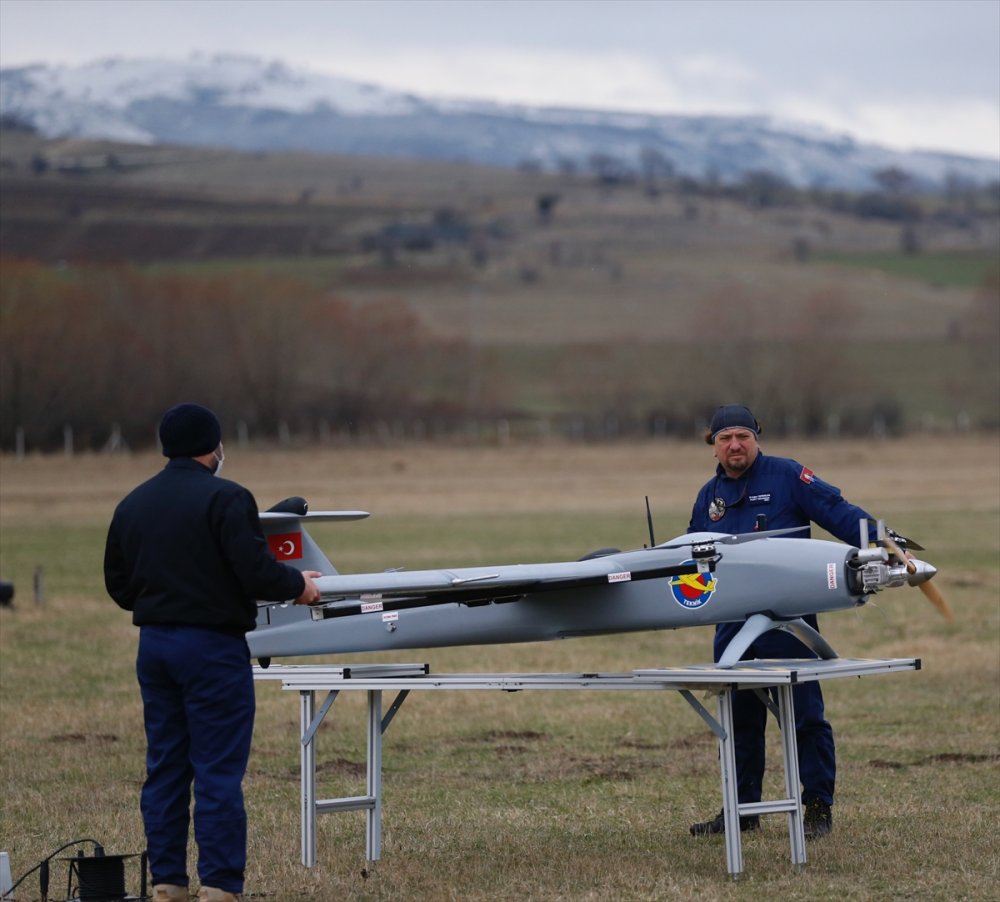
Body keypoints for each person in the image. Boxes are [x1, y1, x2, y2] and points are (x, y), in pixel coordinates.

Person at [104, 403, 322, 902]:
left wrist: (164, 600)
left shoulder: (133, 504)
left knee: (166, 768)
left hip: (155, 646)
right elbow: (254, 571)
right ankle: (220, 887)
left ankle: (167, 884)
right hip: (212, 649)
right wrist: (299, 585)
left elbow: (118, 586)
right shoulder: (228, 498)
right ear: (214, 446)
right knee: (217, 770)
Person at [686, 404, 878, 841]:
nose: (735, 445)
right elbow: (693, 562)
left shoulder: (788, 477)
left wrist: (884, 542)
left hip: (787, 625)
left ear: (757, 437)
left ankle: (816, 808)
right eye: (725, 438)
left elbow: (840, 513)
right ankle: (742, 809)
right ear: (712, 446)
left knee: (806, 717)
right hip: (732, 628)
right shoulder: (706, 498)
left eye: (743, 436)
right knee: (738, 721)